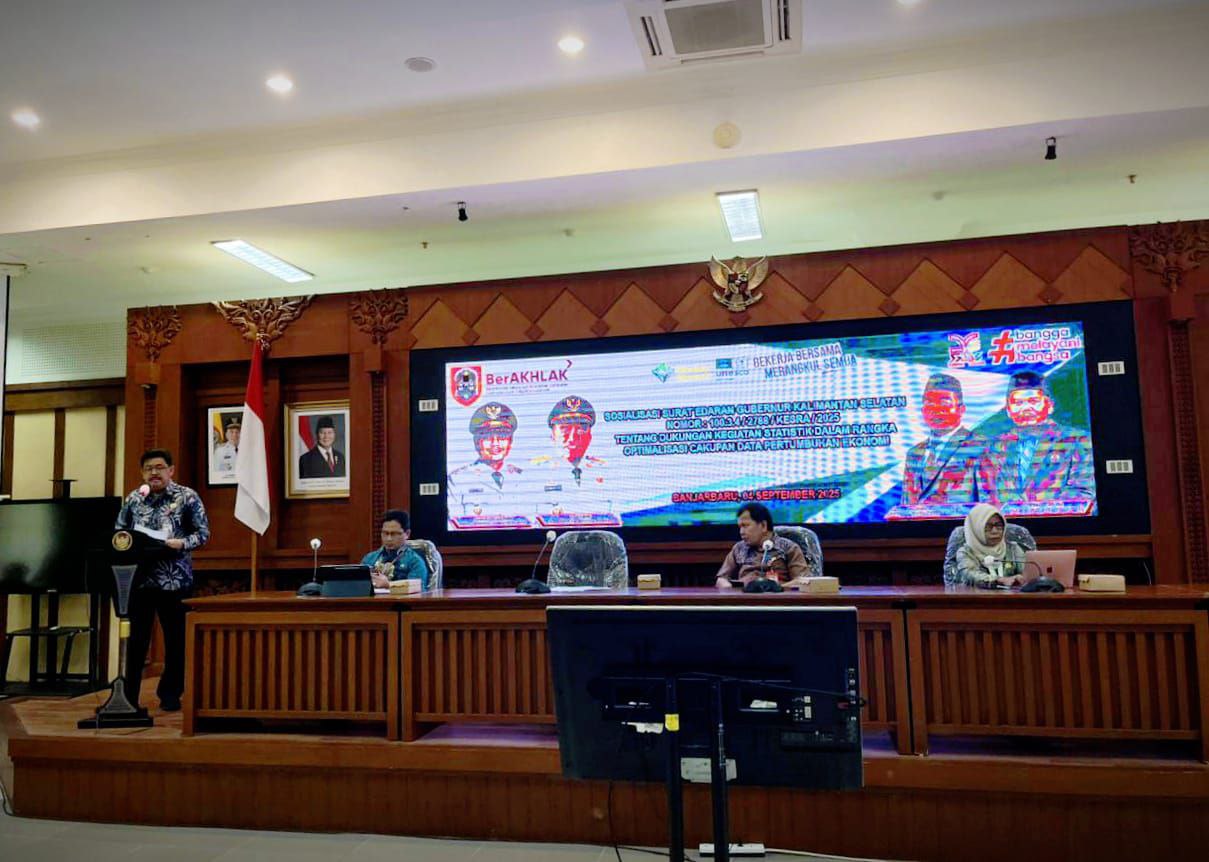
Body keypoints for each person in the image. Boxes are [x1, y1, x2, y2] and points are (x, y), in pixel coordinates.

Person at [115, 448, 210, 712]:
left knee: (176, 641)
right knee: (136, 641)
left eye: (159, 467)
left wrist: (182, 543)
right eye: (148, 469)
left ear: (171, 470)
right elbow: (119, 533)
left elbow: (203, 534)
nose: (154, 473)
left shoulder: (187, 497)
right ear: (142, 473)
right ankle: (128, 698)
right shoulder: (134, 498)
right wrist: (126, 544)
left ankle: (170, 694)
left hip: (175, 579)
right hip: (140, 581)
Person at [984, 371, 1094, 502]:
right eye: (1018, 403)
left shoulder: (1078, 441)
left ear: (1050, 406)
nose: (1026, 408)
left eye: (1033, 401)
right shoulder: (994, 446)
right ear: (1008, 410)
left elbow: (1083, 492)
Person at [900, 373, 993, 506]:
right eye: (929, 403)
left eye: (944, 403)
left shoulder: (980, 446)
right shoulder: (914, 453)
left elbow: (990, 503)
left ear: (961, 409)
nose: (936, 410)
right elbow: (905, 505)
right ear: (922, 410)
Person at [447, 402, 522, 519]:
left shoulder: (522, 476)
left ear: (510, 441)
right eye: (487, 436)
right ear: (477, 442)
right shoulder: (458, 479)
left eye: (502, 436)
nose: (495, 443)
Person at [714, 501, 810, 589]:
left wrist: (777, 588)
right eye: (740, 527)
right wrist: (730, 589)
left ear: (763, 525)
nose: (741, 532)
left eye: (745, 526)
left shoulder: (788, 548)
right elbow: (721, 579)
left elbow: (803, 581)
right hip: (745, 598)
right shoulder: (739, 548)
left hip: (778, 599)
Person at [952, 502, 1029, 588]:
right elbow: (971, 575)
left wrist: (1022, 579)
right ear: (976, 528)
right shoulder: (966, 552)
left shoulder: (1013, 548)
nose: (995, 531)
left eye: (998, 525)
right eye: (988, 526)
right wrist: (1000, 580)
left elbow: (1028, 574)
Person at [360, 509, 430, 590]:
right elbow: (358, 586)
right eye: (385, 533)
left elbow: (418, 592)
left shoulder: (415, 562)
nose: (389, 539)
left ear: (407, 534)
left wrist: (388, 585)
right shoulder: (369, 559)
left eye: (394, 534)